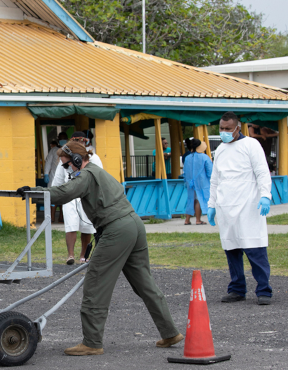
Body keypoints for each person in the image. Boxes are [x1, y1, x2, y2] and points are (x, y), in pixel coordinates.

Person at [17, 141, 183, 356]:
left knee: (96, 282)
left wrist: (34, 192)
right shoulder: (99, 172)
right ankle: (170, 332)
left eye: (67, 165)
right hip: (133, 225)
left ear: (77, 160)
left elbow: (64, 193)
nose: (66, 170)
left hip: (117, 229)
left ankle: (92, 342)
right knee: (145, 283)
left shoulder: (86, 175)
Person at [208, 112, 273, 306]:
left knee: (255, 249)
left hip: (248, 206)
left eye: (228, 129)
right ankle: (237, 289)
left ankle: (264, 290)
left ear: (238, 128)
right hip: (226, 207)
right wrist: (211, 205)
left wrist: (265, 195)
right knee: (232, 249)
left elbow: (262, 171)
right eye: (222, 128)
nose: (224, 132)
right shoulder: (219, 150)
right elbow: (215, 180)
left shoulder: (251, 145)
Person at [51, 132, 102, 265]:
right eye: (76, 142)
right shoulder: (65, 158)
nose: (80, 144)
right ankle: (70, 255)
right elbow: (57, 180)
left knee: (87, 226)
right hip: (70, 196)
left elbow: (99, 178)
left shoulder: (94, 158)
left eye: (82, 142)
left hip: (86, 196)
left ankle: (83, 255)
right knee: (70, 224)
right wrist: (54, 195)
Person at [183, 139, 213, 225]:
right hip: (202, 182)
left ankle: (187, 220)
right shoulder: (204, 157)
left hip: (190, 182)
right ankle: (198, 220)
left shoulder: (187, 158)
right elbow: (210, 171)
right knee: (198, 200)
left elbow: (185, 172)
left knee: (190, 200)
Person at [44, 140, 61, 221]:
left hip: (64, 179)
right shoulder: (54, 150)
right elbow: (48, 162)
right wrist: (46, 173)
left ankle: (61, 217)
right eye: (61, 139)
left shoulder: (68, 149)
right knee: (52, 197)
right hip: (53, 177)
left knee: (64, 198)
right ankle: (52, 217)